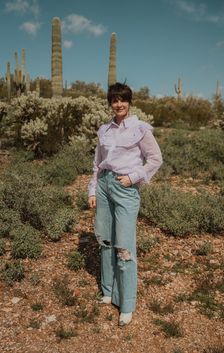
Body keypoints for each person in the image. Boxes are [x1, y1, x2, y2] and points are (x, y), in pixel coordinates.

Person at [88, 82, 162, 326]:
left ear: (129, 102)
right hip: (104, 185)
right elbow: (97, 163)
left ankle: (127, 303)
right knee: (105, 241)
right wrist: (92, 189)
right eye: (114, 100)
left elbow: (155, 159)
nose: (118, 104)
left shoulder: (140, 129)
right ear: (110, 102)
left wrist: (133, 177)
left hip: (125, 188)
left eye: (123, 100)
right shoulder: (104, 130)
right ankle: (108, 291)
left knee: (124, 245)